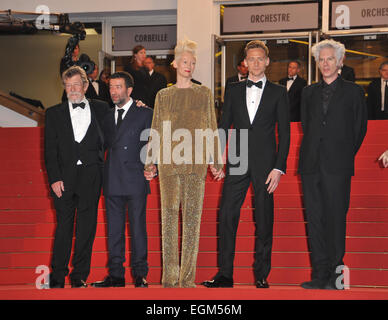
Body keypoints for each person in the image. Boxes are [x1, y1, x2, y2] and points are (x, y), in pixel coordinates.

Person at [202, 40, 290, 289]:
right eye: (251, 59)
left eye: (260, 58)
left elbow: (284, 133)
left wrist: (279, 167)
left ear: (267, 61)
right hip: (237, 159)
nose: (255, 63)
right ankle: (225, 275)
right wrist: (215, 158)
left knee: (264, 218)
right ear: (245, 62)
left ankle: (262, 274)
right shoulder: (233, 89)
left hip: (266, 163)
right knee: (227, 214)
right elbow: (223, 126)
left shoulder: (278, 92)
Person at [144, 39, 224, 288]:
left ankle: (187, 278)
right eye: (185, 61)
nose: (189, 66)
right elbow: (156, 129)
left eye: (193, 62)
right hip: (169, 164)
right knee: (168, 221)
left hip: (195, 164)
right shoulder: (163, 95)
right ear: (176, 63)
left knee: (192, 222)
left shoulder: (204, 93)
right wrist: (150, 162)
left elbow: (212, 128)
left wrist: (216, 161)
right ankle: (169, 279)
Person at [298, 39, 367, 290]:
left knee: (336, 219)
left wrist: (343, 153)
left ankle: (337, 278)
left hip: (338, 165)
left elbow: (359, 129)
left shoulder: (354, 91)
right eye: (321, 59)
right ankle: (319, 275)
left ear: (340, 62)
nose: (325, 63)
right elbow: (307, 125)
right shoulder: (308, 92)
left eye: (330, 59)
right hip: (310, 164)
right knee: (315, 220)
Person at [44, 66, 110, 288]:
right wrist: (54, 178)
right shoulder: (54, 113)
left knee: (86, 229)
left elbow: (120, 119)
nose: (72, 89)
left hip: (91, 176)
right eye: (68, 85)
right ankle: (57, 276)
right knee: (63, 227)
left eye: (76, 85)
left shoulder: (101, 108)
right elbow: (50, 150)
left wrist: (138, 105)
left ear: (85, 85)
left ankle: (79, 276)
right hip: (64, 178)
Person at [91, 72, 153, 288]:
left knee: (138, 229)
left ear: (129, 90)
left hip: (136, 177)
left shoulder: (146, 114)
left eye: (118, 87)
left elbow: (154, 144)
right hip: (112, 179)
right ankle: (116, 275)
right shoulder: (105, 116)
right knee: (114, 230)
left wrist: (152, 166)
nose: (114, 91)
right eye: (111, 87)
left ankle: (140, 274)